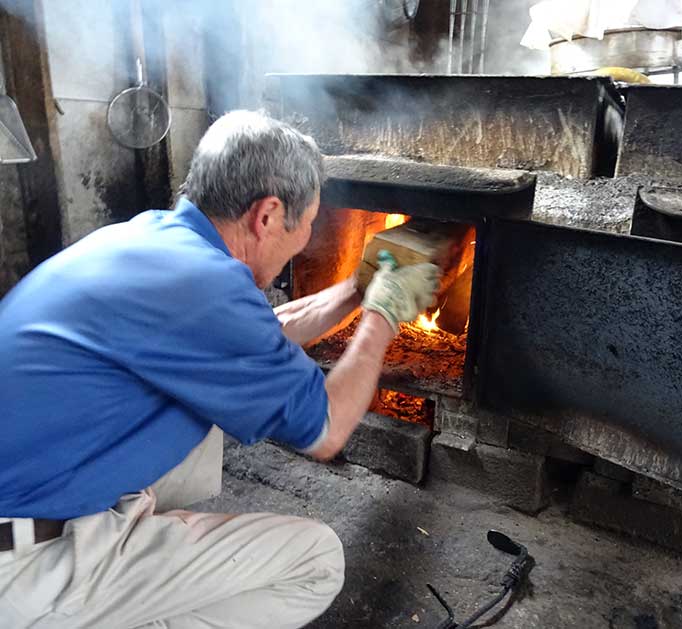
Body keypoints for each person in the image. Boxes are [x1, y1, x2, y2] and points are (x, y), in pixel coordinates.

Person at [0, 110, 439, 628]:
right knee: (315, 560)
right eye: (309, 222)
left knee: (201, 417)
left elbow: (253, 339)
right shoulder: (203, 287)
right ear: (269, 215)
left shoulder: (156, 244)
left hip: (27, 493)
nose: (306, 238)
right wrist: (384, 313)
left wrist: (356, 290)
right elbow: (325, 430)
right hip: (26, 567)